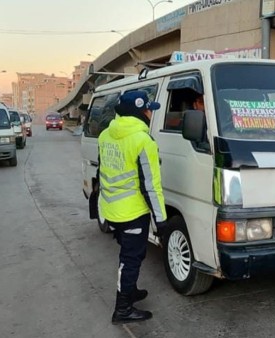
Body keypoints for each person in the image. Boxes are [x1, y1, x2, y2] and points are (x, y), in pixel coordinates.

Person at [97, 91, 168, 324]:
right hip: (132, 212)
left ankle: (130, 289)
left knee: (130, 255)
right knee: (131, 259)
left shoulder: (105, 135)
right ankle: (123, 309)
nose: (150, 113)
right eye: (148, 109)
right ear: (139, 111)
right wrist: (161, 221)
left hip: (111, 208)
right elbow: (151, 186)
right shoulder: (142, 141)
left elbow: (103, 171)